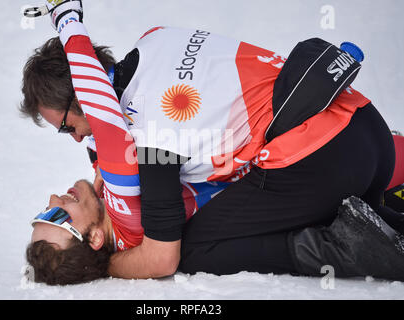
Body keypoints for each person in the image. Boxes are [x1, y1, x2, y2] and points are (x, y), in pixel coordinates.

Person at [21, 0, 404, 281]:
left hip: (324, 160)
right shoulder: (154, 41)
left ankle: (345, 250)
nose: (75, 139)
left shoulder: (150, 132)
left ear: (86, 96)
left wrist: (107, 265)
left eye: (67, 127)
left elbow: (161, 258)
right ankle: (381, 226)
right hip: (367, 130)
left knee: (195, 247)